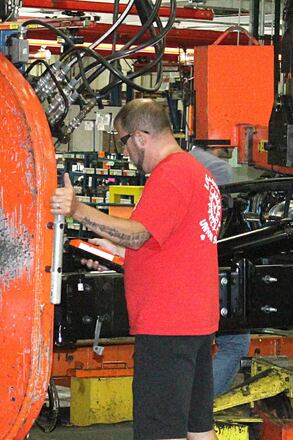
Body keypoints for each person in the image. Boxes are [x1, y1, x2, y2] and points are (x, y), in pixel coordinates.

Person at [51, 99, 220, 440]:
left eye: (122, 141)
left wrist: (78, 209)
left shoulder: (170, 175)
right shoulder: (196, 173)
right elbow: (168, 245)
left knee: (162, 432)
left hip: (167, 328)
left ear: (141, 137)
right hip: (195, 324)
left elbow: (140, 232)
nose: (124, 152)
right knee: (198, 430)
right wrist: (115, 251)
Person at [189, 146, 252, 397]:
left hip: (186, 269)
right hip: (211, 269)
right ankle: (198, 409)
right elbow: (225, 226)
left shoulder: (185, 160)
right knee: (234, 344)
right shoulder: (219, 170)